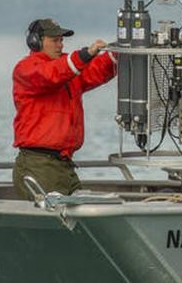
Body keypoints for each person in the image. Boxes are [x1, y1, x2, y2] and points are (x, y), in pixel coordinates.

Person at [12, 18, 116, 200]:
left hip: (63, 165)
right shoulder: (26, 69)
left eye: (61, 40)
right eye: (54, 40)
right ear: (36, 42)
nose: (60, 45)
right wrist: (85, 54)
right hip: (39, 165)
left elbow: (95, 71)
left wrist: (118, 52)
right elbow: (51, 75)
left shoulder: (68, 68)